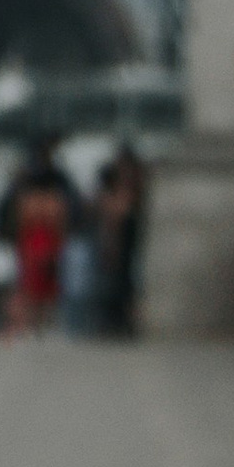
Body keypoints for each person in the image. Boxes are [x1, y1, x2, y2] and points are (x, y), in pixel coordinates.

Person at [0, 137, 76, 339]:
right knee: (45, 283)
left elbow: (16, 218)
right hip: (45, 239)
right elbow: (63, 221)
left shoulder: (24, 191)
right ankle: (39, 324)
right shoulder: (56, 193)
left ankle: (30, 324)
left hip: (31, 239)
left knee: (31, 283)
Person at [93, 141, 147, 337]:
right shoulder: (116, 195)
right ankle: (114, 323)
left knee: (123, 287)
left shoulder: (130, 192)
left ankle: (121, 323)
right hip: (119, 248)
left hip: (127, 249)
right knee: (115, 287)